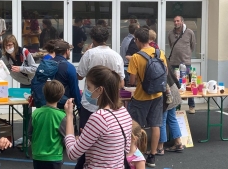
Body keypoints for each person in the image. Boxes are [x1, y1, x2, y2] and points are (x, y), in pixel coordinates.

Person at [76, 25, 125, 168]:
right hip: (110, 102)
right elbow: (121, 83)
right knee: (108, 140)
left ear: (92, 38)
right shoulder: (116, 56)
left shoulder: (89, 54)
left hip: (90, 103)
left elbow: (79, 76)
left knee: (85, 140)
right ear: (106, 38)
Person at [64, 65, 132, 168]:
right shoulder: (123, 112)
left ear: (100, 89)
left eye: (89, 87)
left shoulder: (99, 118)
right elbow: (123, 148)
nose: (87, 91)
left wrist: (69, 116)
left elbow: (72, 154)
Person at [128, 28, 167, 167]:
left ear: (138, 40)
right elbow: (165, 72)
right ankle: (152, 155)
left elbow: (132, 81)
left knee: (136, 127)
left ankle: (136, 153)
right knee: (156, 124)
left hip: (141, 96)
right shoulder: (160, 53)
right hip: (157, 94)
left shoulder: (136, 57)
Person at [29, 80, 67, 169]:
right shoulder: (62, 116)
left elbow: (30, 133)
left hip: (37, 155)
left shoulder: (36, 113)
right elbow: (67, 138)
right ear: (61, 96)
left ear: (44, 93)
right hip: (54, 156)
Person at [167, 15, 196, 114]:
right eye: (174, 21)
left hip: (185, 63)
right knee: (174, 85)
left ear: (182, 21)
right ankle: (175, 106)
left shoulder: (189, 32)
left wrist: (186, 55)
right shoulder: (170, 33)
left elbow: (192, 46)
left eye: (178, 21)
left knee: (188, 84)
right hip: (173, 63)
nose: (176, 23)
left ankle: (191, 105)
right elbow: (171, 46)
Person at [52, 39, 81, 110]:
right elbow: (74, 89)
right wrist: (79, 107)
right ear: (67, 51)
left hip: (47, 103)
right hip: (63, 106)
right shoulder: (69, 67)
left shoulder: (47, 63)